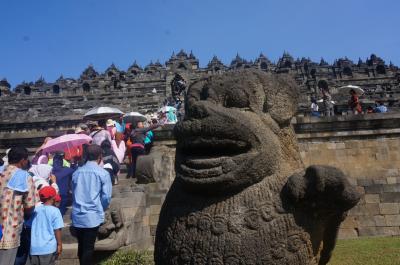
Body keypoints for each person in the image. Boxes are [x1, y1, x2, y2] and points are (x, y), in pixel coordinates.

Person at [71, 144, 112, 265]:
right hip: (92, 215)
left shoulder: (77, 173)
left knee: (82, 246)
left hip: (78, 214)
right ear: (100, 157)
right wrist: (101, 208)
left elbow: (73, 192)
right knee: (88, 248)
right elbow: (106, 197)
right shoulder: (103, 173)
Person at [0, 147, 37, 264]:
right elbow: (30, 205)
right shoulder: (25, 177)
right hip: (9, 231)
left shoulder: (0, 172)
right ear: (23, 160)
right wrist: (26, 214)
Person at [29, 186, 63, 265]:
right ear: (53, 198)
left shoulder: (35, 210)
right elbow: (57, 230)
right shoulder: (55, 211)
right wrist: (59, 244)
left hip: (34, 248)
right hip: (48, 248)